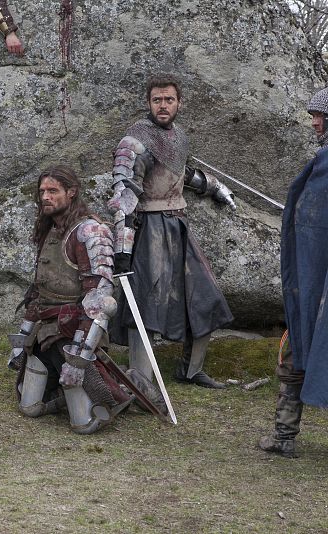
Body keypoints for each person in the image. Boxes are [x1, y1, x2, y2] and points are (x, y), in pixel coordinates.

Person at [8, 164, 163, 434]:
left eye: (53, 191)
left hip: (75, 331)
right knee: (30, 406)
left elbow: (100, 302)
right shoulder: (49, 230)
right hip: (45, 330)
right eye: (42, 191)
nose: (45, 196)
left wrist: (78, 360)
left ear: (72, 193)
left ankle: (129, 383)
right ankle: (61, 392)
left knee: (86, 423)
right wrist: (22, 342)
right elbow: (38, 294)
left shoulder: (90, 232)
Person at [107, 74, 236, 389]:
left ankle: (190, 370)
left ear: (179, 103)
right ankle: (141, 379)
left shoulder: (179, 136)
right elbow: (124, 195)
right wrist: (122, 252)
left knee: (205, 297)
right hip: (148, 228)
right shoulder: (133, 142)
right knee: (145, 301)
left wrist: (214, 187)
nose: (163, 105)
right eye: (157, 100)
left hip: (178, 226)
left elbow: (177, 173)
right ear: (148, 102)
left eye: (169, 100)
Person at [259, 88, 328, 457]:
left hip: (318, 281)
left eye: (320, 116)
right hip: (312, 277)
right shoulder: (322, 161)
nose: (314, 122)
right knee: (296, 348)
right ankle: (283, 435)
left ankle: (284, 435)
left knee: (302, 347)